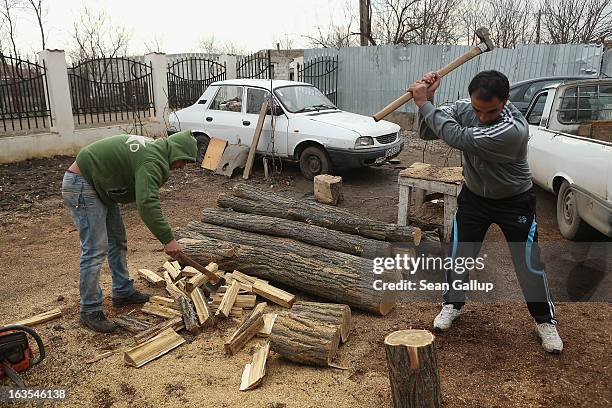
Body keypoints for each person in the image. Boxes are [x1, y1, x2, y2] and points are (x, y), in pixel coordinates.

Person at [408, 70, 563, 353]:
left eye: (490, 111)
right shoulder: (466, 108)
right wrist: (429, 99)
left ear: (505, 101)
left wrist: (423, 103)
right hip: (475, 198)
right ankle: (452, 304)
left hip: (514, 200)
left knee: (528, 263)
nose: (481, 116)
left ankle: (544, 320)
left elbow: (458, 137)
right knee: (459, 255)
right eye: (477, 109)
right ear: (471, 99)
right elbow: (427, 131)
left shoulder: (513, 130)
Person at [61, 130, 197, 333]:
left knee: (117, 241)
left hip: (101, 187)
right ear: (176, 152)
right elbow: (147, 203)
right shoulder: (153, 160)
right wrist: (168, 239)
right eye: (184, 160)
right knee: (95, 248)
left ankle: (122, 291)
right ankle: (89, 309)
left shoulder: (157, 152)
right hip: (83, 183)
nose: (183, 166)